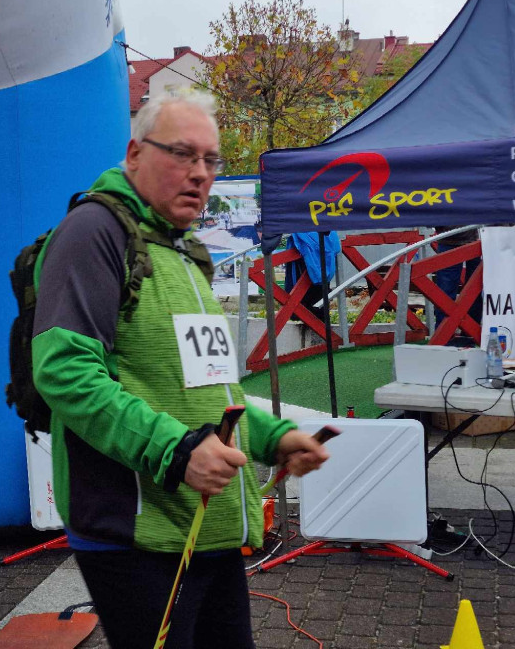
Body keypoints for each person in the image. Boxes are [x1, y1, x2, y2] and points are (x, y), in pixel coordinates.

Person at [32, 88, 330, 649]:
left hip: (209, 528)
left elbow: (211, 393)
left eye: (210, 160)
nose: (200, 174)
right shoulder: (93, 233)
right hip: (137, 535)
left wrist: (275, 437)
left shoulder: (185, 254)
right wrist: (177, 450)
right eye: (182, 154)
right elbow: (65, 373)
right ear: (136, 153)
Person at [432, 226, 482, 331]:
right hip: (462, 239)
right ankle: (465, 333)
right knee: (472, 291)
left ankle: (444, 334)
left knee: (448, 291)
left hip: (451, 238)